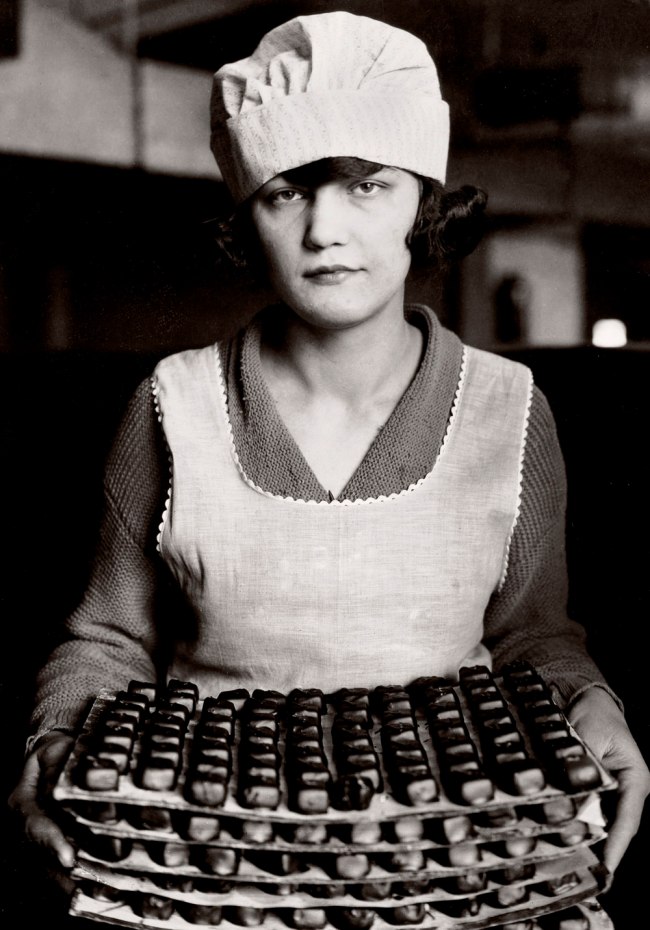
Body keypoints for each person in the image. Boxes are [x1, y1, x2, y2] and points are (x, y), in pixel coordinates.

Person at [9, 7, 649, 907]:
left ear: (423, 201)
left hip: (463, 867)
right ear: (247, 213)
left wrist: (594, 704)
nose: (324, 231)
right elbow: (108, 641)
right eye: (287, 192)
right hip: (209, 869)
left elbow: (532, 635)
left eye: (367, 187)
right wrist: (55, 745)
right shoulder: (172, 407)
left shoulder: (508, 410)